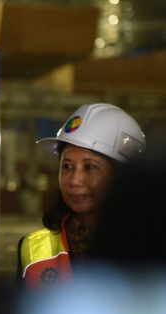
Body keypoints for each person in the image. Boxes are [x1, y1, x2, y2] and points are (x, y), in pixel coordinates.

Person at [17, 103, 146, 288]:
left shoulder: (150, 248)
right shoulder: (33, 248)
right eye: (67, 166)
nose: (75, 180)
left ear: (121, 176)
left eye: (90, 167)